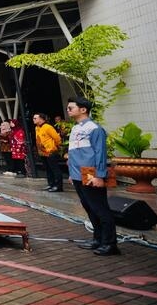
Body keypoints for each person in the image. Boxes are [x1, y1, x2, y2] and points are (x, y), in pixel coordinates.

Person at [66, 97, 118, 256]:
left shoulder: (94, 128)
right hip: (78, 173)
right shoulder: (75, 128)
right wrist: (71, 174)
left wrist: (99, 176)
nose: (68, 110)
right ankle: (98, 238)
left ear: (83, 110)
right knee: (89, 207)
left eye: (71, 107)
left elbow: (100, 153)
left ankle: (110, 243)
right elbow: (74, 153)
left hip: (90, 172)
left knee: (99, 207)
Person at [33, 113, 63, 192]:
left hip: (50, 151)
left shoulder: (48, 127)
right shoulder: (37, 128)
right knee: (48, 169)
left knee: (54, 169)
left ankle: (58, 186)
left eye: (35, 118)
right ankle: (51, 184)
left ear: (41, 119)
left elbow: (57, 138)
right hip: (42, 152)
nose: (34, 119)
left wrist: (55, 147)